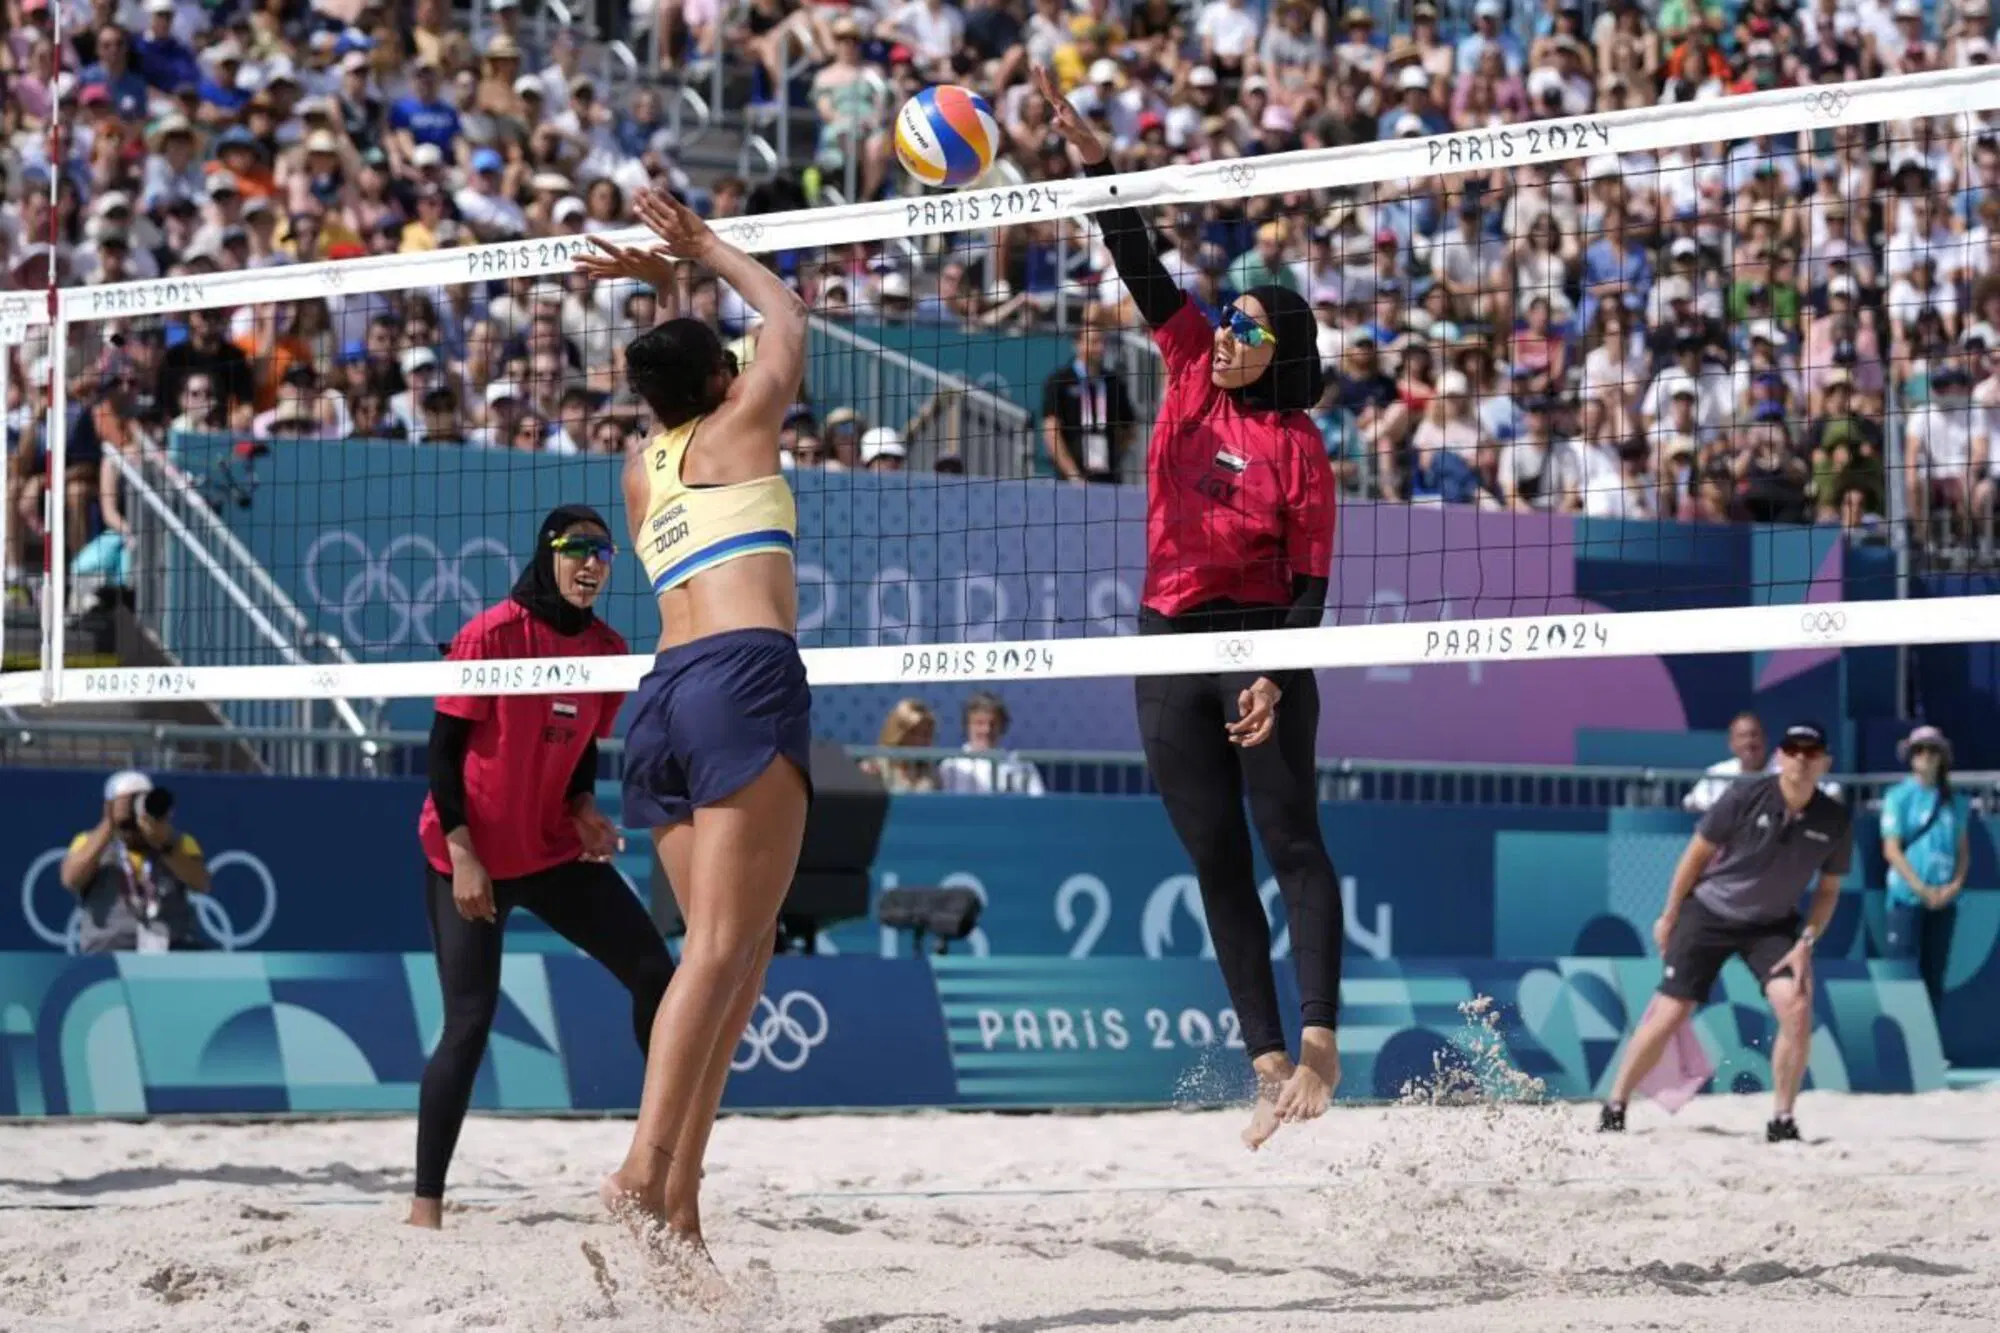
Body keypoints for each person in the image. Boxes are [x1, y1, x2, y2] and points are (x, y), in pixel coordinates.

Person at [1033, 67, 1342, 1152]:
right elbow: (1137, 260)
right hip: (1167, 626)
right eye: (1225, 317)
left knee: (1290, 838)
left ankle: (1317, 1041)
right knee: (1211, 849)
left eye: (1246, 325)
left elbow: (1311, 586)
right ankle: (1264, 1060)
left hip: (1258, 635)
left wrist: (1271, 672)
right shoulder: (1184, 367)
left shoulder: (1300, 447)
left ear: (1281, 350)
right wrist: (1092, 159)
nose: (1224, 331)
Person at [574, 185, 812, 1290]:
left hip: (659, 697)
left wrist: (665, 294)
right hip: (737, 678)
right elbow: (785, 319)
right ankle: (636, 1169)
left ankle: (678, 1205)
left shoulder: (642, 470)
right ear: (718, 384)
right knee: (721, 952)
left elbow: (682, 370)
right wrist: (704, 249)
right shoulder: (739, 423)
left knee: (737, 957)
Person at [411, 503, 673, 1231]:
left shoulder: (607, 646)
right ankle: (425, 1206)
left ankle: (659, 1155)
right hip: (470, 854)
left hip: (551, 847)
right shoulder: (492, 634)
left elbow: (581, 742)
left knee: (658, 972)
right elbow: (441, 753)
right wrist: (464, 855)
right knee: (468, 1022)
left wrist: (585, 804)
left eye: (604, 552)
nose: (592, 563)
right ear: (548, 553)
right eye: (578, 548)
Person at [1600, 722, 1850, 1143]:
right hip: (1711, 913)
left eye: (1812, 752)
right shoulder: (1744, 796)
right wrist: (1669, 914)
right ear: (1780, 756)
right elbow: (1694, 857)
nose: (1802, 759)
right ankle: (1615, 1105)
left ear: (1825, 761)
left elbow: (1828, 890)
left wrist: (1807, 941)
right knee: (1670, 1012)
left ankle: (1782, 1118)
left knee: (1796, 1006)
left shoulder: (1834, 819)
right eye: (1794, 750)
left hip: (1772, 925)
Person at [58, 770, 211, 953]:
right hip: (109, 951)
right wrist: (109, 824)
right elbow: (70, 879)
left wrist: (164, 844)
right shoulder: (88, 842)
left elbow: (202, 883)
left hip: (171, 950)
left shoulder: (178, 842)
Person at [1879, 724, 1968, 1002]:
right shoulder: (1898, 796)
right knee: (1901, 976)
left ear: (1942, 756)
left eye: (1932, 750)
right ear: (1911, 756)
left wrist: (1954, 887)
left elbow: (1963, 851)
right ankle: (1900, 1045)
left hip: (1943, 901)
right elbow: (1891, 850)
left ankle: (1927, 1044)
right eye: (1919, 750)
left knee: (1934, 976)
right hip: (1907, 898)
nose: (1926, 755)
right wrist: (1921, 889)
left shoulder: (1956, 802)